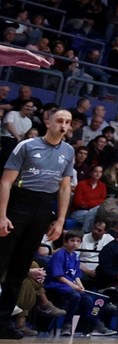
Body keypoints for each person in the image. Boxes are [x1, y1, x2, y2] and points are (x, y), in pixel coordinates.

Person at [0, 105, 74, 338]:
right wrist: (2, 215)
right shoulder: (27, 145)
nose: (63, 126)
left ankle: (3, 321)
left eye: (68, 122)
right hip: (20, 203)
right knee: (1, 260)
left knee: (21, 266)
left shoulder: (68, 151)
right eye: (60, 121)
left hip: (44, 207)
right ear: (48, 122)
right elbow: (5, 182)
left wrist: (60, 220)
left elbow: (64, 187)